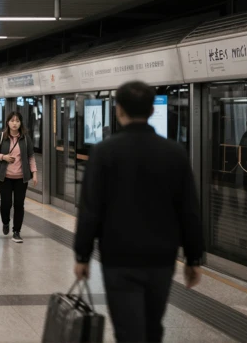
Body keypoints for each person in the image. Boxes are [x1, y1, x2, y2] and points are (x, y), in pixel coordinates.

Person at [74, 81, 204, 343]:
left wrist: (82, 255)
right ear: (151, 110)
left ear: (119, 110)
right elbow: (189, 210)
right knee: (153, 327)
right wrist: (193, 258)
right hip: (161, 258)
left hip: (118, 257)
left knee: (128, 330)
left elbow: (90, 209)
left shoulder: (103, 152)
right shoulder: (175, 153)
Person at [0, 112, 38, 243]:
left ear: (21, 123)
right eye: (12, 120)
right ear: (8, 122)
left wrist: (34, 173)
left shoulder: (25, 138)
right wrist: (3, 157)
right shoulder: (1, 137)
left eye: (17, 121)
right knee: (6, 204)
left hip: (21, 178)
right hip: (5, 177)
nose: (15, 123)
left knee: (19, 204)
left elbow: (31, 156)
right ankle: (5, 222)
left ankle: (16, 231)